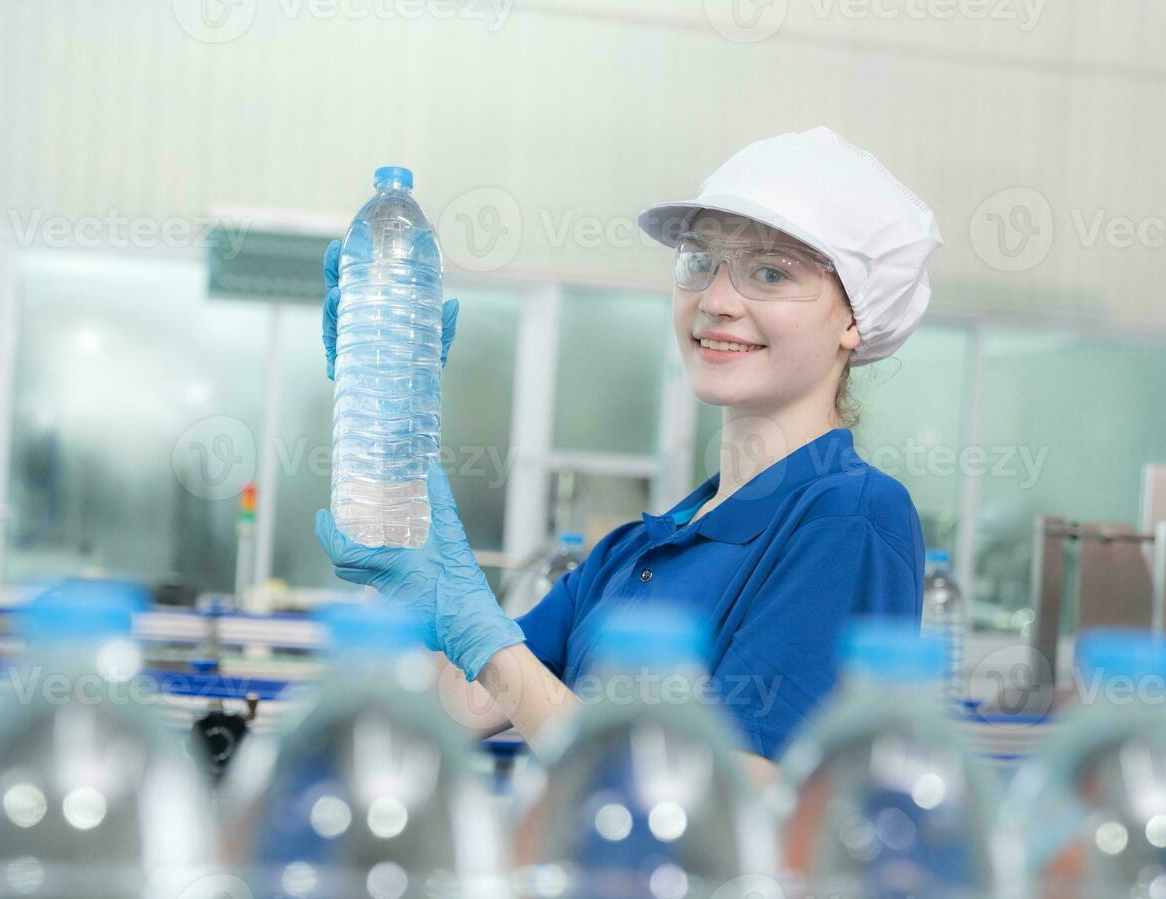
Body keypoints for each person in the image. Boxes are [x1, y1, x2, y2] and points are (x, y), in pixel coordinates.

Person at [315, 126, 943, 782]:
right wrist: (390, 431)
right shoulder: (633, 552)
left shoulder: (849, 515)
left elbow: (749, 802)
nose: (717, 301)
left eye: (769, 272)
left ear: (853, 318)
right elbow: (458, 706)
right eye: (701, 262)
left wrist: (488, 641)